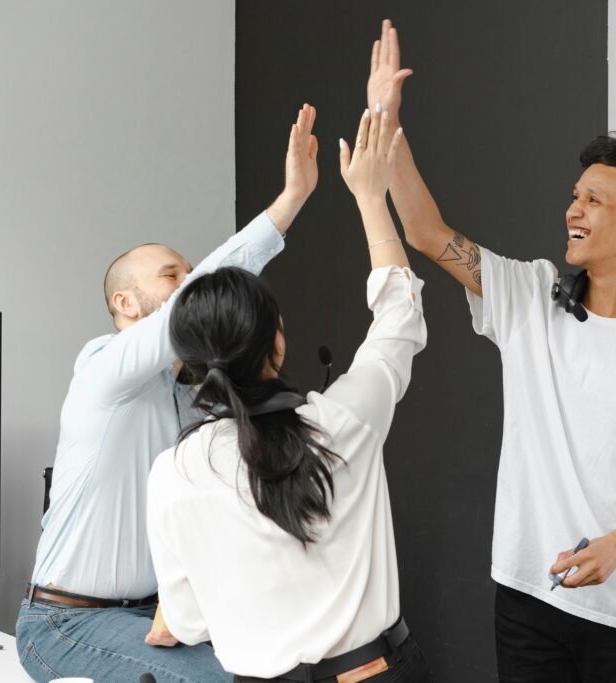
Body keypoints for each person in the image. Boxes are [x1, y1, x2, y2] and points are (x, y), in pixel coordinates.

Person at [365, 20, 616, 682]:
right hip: (529, 596)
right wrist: (386, 119)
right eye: (574, 194)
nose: (575, 207)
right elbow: (424, 230)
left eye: (595, 199)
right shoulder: (529, 296)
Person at [15, 105, 321, 683]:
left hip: (153, 618)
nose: (187, 284)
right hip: (64, 625)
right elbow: (201, 299)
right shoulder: (101, 370)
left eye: (187, 272)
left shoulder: (194, 393)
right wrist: (288, 204)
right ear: (125, 305)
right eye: (171, 275)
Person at [146, 107, 432, 683]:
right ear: (276, 338)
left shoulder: (173, 473)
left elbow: (187, 620)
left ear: (192, 364)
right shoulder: (341, 419)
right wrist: (370, 198)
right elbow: (399, 317)